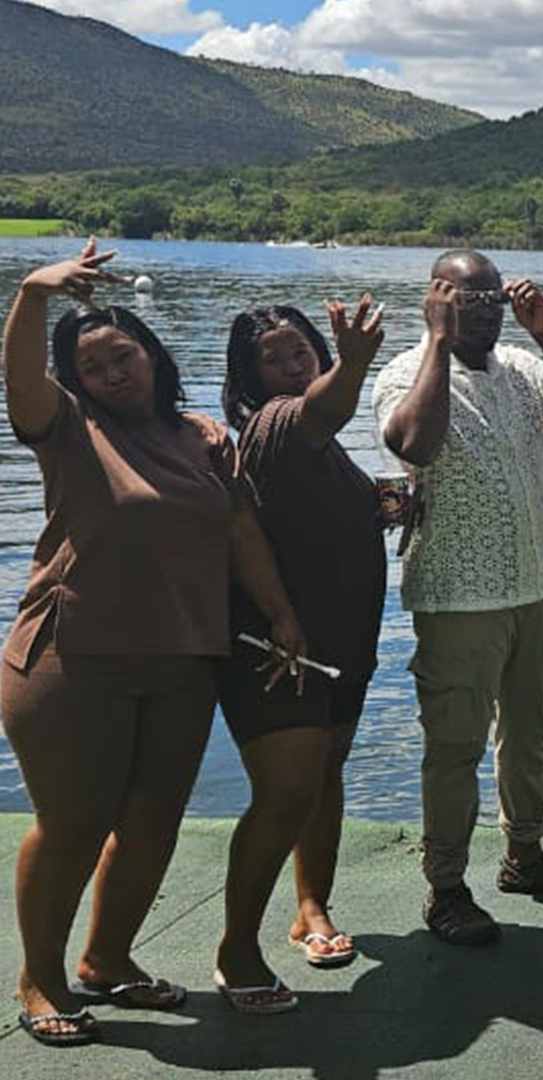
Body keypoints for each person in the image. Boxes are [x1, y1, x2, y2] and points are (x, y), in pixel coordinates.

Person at [2, 242, 308, 1042]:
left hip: (181, 659)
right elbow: (23, 383)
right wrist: (34, 295)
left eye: (123, 355)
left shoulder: (204, 436)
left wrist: (280, 612)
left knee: (153, 819)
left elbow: (241, 531)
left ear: (152, 355)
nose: (112, 373)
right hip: (76, 658)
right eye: (93, 365)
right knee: (72, 822)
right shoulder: (66, 427)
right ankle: (41, 976)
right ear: (75, 381)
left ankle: (108, 960)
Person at [373, 249, 543, 946]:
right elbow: (414, 445)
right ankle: (446, 888)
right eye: (465, 297)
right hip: (457, 595)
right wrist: (440, 344)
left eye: (491, 299)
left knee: (532, 730)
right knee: (455, 745)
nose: (482, 309)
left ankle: (526, 856)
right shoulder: (406, 372)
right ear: (436, 297)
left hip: (536, 585)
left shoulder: (524, 367)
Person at [210, 300, 390, 1013]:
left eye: (302, 352)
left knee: (324, 776)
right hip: (273, 649)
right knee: (286, 792)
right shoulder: (276, 424)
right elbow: (323, 409)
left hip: (341, 648)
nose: (292, 366)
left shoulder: (317, 445)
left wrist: (377, 504)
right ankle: (236, 950)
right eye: (274, 358)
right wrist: (353, 363)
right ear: (248, 378)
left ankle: (311, 907)